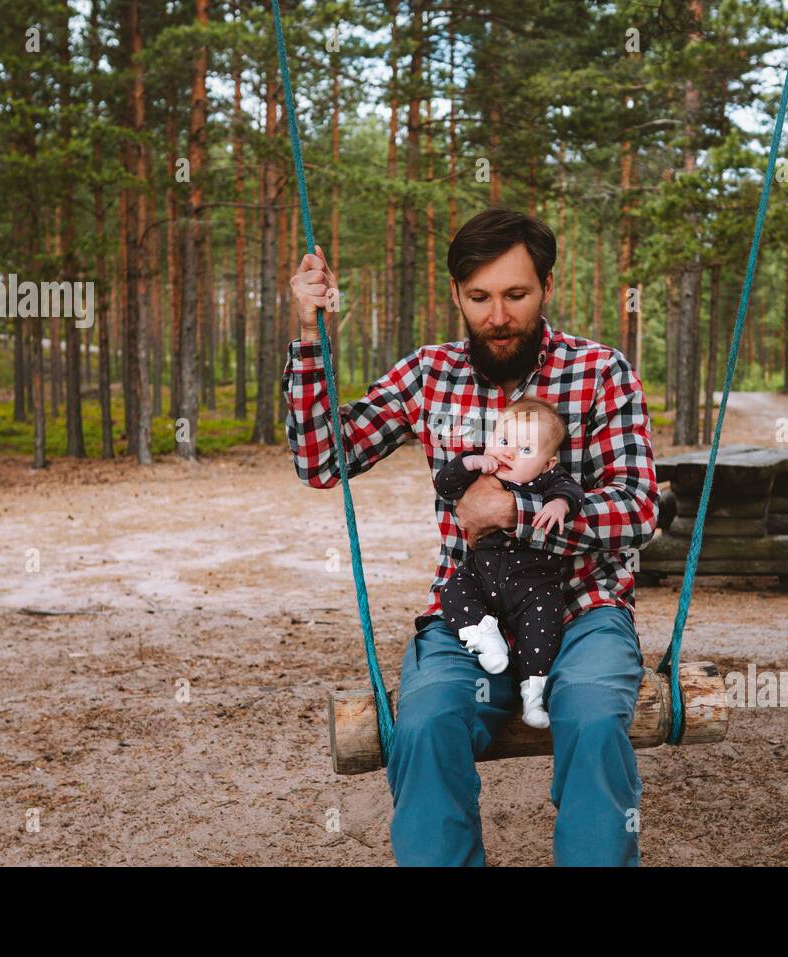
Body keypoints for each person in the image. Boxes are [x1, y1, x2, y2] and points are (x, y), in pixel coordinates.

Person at [282, 207, 658, 866]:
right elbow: (320, 459)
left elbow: (638, 509)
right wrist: (306, 335)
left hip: (581, 611)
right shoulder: (429, 375)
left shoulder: (601, 372)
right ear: (457, 294)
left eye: (516, 294)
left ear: (546, 286)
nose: (498, 315)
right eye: (480, 297)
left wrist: (518, 513)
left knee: (596, 722)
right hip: (470, 614)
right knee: (423, 726)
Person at [433, 397, 587, 728]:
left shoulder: (547, 480)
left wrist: (559, 506)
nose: (509, 454)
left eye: (526, 450)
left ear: (548, 463)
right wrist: (470, 463)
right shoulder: (480, 470)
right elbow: (444, 485)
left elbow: (572, 493)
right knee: (453, 592)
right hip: (482, 574)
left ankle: (534, 696)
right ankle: (482, 635)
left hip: (533, 583)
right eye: (503, 442)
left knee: (542, 632)